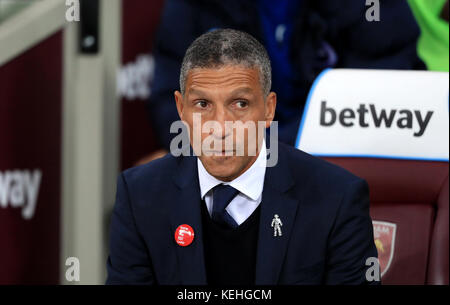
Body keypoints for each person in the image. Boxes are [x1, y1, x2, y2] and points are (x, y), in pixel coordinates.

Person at [106, 29, 379, 285]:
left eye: (240, 104)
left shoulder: (337, 198)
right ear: (180, 108)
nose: (220, 127)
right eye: (202, 105)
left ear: (269, 109)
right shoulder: (140, 196)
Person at [145, 0, 424, 162]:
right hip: (234, 159)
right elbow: (173, 98)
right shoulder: (198, 5)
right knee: (156, 179)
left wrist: (262, 151)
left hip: (334, 161)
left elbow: (381, 94)